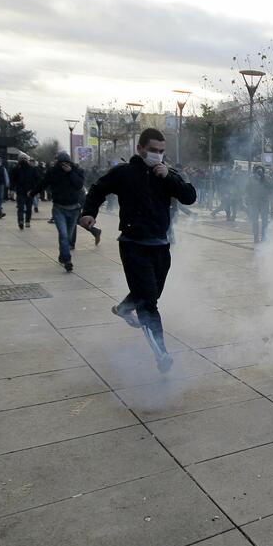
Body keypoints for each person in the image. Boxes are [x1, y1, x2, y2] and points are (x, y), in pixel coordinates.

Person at [79, 128, 196, 372]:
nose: (157, 155)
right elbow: (98, 189)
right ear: (140, 149)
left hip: (161, 246)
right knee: (148, 303)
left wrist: (168, 178)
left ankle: (123, 308)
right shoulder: (124, 173)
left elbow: (189, 197)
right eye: (153, 150)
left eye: (161, 151)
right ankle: (161, 354)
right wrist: (89, 212)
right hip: (133, 245)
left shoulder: (166, 174)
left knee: (152, 293)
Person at [32, 151, 85, 271]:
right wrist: (32, 193)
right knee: (63, 235)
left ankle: (63, 255)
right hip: (59, 208)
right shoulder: (53, 172)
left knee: (68, 235)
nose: (64, 166)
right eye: (61, 163)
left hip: (74, 208)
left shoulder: (76, 170)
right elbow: (43, 183)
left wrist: (70, 172)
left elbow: (79, 185)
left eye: (66, 163)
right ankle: (67, 260)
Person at [10, 152, 40, 230]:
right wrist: (12, 189)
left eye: (24, 158)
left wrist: (36, 190)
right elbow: (13, 180)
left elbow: (37, 180)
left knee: (28, 208)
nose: (23, 160)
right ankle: (21, 221)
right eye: (22, 159)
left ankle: (27, 221)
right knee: (21, 208)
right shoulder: (16, 169)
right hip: (21, 191)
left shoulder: (32, 169)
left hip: (29, 191)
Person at [245, 165, 271, 243]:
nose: (259, 172)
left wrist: (264, 178)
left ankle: (264, 236)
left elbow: (271, 187)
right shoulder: (251, 178)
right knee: (255, 221)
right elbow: (247, 189)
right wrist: (248, 199)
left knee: (265, 221)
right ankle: (256, 237)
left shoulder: (266, 177)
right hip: (254, 202)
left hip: (264, 202)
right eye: (258, 171)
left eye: (261, 171)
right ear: (255, 171)